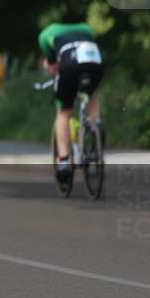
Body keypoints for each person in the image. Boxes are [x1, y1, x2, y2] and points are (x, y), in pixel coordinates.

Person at [37, 21, 104, 183]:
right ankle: (96, 127)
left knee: (63, 113)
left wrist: (53, 71)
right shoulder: (86, 28)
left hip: (70, 62)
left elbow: (53, 68)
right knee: (91, 94)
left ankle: (64, 161)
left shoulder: (45, 35)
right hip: (95, 61)